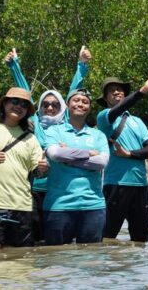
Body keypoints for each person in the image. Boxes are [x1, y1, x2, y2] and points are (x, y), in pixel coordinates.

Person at [4, 45, 91, 243]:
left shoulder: (65, 124)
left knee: (55, 241)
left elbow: (73, 94)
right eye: (45, 104)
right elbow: (25, 93)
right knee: (33, 239)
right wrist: (14, 66)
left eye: (55, 104)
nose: (50, 107)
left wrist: (82, 65)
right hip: (33, 190)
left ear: (62, 107)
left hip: (59, 191)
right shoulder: (34, 122)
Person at [0, 87, 48, 252]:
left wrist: (43, 168)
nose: (19, 106)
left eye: (24, 105)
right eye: (15, 102)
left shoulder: (30, 138)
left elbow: (36, 172)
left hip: (23, 205)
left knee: (22, 254)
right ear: (4, 104)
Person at [97, 75, 148, 242]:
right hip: (116, 185)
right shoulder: (104, 118)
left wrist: (129, 154)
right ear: (105, 98)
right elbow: (121, 107)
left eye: (120, 89)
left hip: (141, 187)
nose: (117, 92)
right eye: (111, 91)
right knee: (106, 238)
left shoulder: (137, 121)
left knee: (140, 241)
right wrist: (143, 91)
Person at [43, 88, 110, 245]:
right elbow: (55, 154)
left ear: (90, 108)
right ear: (67, 105)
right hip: (58, 205)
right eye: (76, 100)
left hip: (93, 204)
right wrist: (89, 154)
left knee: (91, 260)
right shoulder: (53, 130)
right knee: (56, 259)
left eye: (85, 102)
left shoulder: (98, 135)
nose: (80, 104)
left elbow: (102, 163)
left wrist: (69, 156)